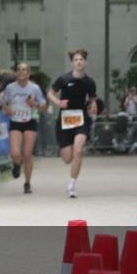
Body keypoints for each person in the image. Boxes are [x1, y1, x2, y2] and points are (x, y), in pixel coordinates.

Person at [47, 49, 97, 198]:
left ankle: (72, 185)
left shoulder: (90, 82)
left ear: (85, 62)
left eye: (81, 59)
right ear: (72, 63)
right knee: (67, 158)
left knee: (78, 151)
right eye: (76, 60)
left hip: (81, 119)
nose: (79, 62)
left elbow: (92, 98)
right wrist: (58, 102)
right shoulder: (64, 79)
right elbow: (50, 93)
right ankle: (68, 153)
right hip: (65, 120)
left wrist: (93, 105)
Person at [1, 63, 48, 194]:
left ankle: (27, 183)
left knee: (27, 154)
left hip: (30, 121)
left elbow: (43, 106)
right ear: (16, 73)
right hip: (15, 121)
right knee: (15, 153)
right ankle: (17, 164)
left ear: (28, 73)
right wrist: (7, 109)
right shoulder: (10, 87)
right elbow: (3, 102)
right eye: (19, 70)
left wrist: (35, 104)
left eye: (24, 70)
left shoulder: (35, 88)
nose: (21, 72)